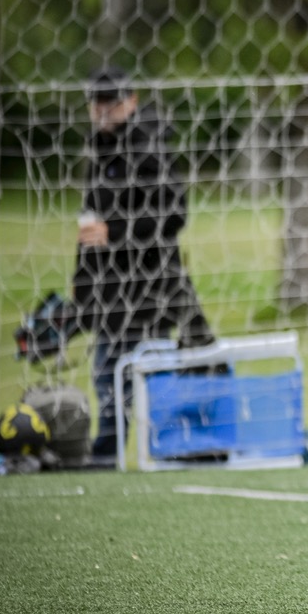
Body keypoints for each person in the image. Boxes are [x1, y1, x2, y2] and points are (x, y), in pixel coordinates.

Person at [74, 66, 215, 464]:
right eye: (97, 103)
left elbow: (174, 213)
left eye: (112, 102)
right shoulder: (101, 152)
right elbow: (92, 225)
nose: (104, 110)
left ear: (132, 101)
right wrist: (82, 286)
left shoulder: (149, 149)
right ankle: (110, 451)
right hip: (110, 286)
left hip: (149, 283)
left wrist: (114, 231)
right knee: (108, 371)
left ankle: (172, 447)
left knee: (150, 371)